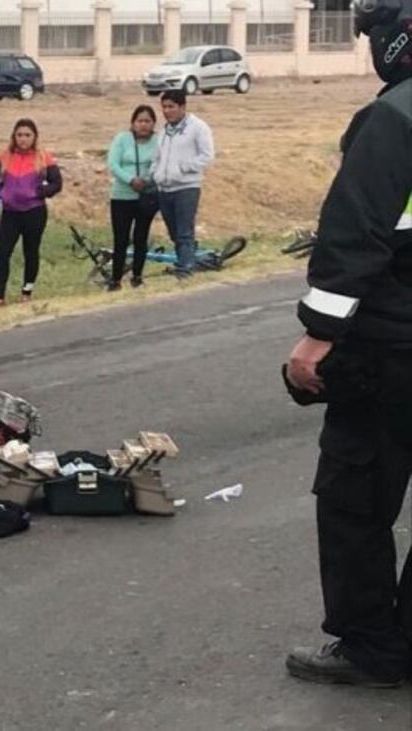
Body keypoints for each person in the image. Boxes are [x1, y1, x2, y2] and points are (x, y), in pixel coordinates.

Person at [282, 0, 412, 690]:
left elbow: (354, 233)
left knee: (355, 496)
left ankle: (371, 645)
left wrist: (317, 337)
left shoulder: (394, 118)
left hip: (389, 347)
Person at [0, 118, 62, 307]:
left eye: (27, 135)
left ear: (34, 137)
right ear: (14, 137)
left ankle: (27, 291)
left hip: (34, 211)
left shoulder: (44, 158)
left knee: (31, 251)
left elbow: (57, 183)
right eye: (19, 135)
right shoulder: (3, 158)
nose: (23, 139)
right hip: (10, 212)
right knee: (2, 252)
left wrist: (41, 192)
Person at [150, 89, 214, 279]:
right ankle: (186, 259)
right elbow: (157, 158)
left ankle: (185, 269)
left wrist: (184, 168)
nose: (167, 111)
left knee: (185, 230)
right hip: (165, 188)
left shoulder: (197, 127)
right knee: (174, 232)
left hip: (187, 187)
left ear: (182, 107)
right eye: (164, 107)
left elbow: (207, 156)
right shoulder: (164, 132)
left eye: (171, 107)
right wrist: (156, 173)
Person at [106, 105, 160, 290]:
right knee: (120, 238)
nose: (143, 125)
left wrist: (147, 180)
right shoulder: (122, 139)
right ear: (133, 123)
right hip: (122, 196)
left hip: (146, 196)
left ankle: (137, 276)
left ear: (153, 124)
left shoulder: (158, 141)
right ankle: (115, 280)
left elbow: (160, 164)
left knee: (141, 237)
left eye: (147, 121)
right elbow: (113, 164)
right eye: (140, 121)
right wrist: (130, 180)